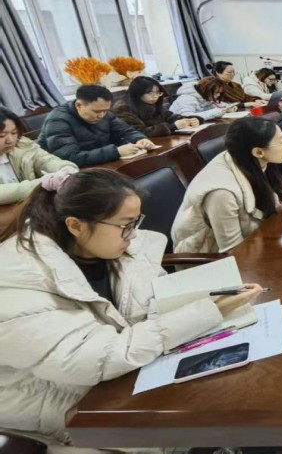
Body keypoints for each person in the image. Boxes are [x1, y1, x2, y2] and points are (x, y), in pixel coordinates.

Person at [0, 168, 262, 446]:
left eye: (136, 222)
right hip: (59, 402)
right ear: (76, 225)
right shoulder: (17, 280)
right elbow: (96, 359)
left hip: (121, 377)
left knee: (238, 389)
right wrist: (206, 312)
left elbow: (154, 304)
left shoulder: (107, 249)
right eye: (126, 225)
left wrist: (206, 304)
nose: (133, 236)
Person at [172, 117, 282, 253]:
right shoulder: (221, 194)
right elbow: (232, 250)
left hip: (254, 242)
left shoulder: (250, 160)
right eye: (281, 141)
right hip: (211, 258)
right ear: (258, 152)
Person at [37, 85, 155, 167]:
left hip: (99, 165)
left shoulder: (104, 113)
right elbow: (69, 157)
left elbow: (126, 130)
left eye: (105, 111)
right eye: (97, 112)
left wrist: (140, 139)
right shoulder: (58, 120)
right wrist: (115, 152)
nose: (102, 115)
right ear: (79, 105)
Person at [0, 107, 77, 205]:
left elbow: (45, 160)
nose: (10, 140)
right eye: (2, 136)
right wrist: (44, 183)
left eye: (14, 133)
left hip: (27, 204)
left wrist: (65, 169)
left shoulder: (22, 145)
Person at [113, 76, 200, 138]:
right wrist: (172, 127)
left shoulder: (153, 103)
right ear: (138, 93)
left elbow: (170, 116)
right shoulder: (123, 109)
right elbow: (138, 133)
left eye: (158, 92)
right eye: (150, 93)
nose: (155, 96)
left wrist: (190, 120)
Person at [170, 77, 235, 121]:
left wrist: (227, 107)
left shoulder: (205, 97)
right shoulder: (186, 99)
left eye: (220, 93)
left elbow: (215, 105)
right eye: (216, 92)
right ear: (206, 91)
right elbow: (187, 117)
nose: (218, 95)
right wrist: (215, 112)